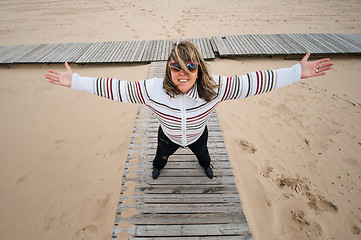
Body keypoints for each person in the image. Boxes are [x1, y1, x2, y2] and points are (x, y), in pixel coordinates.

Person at [45, 41, 333, 179]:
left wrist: (297, 72)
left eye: (190, 67)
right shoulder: (151, 91)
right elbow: (114, 87)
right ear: (169, 69)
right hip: (168, 136)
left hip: (197, 135)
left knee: (204, 155)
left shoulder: (214, 89)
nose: (183, 74)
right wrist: (77, 81)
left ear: (199, 69)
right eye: (176, 67)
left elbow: (255, 82)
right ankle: (159, 166)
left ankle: (205, 165)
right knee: (160, 157)